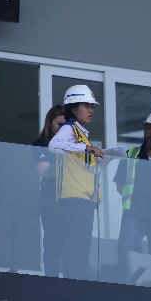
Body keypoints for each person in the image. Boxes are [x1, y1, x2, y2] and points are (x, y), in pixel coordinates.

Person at [49, 84, 105, 280]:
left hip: (85, 199)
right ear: (73, 108)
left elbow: (82, 167)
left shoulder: (82, 134)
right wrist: (86, 150)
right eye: (85, 106)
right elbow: (54, 145)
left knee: (81, 249)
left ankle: (78, 284)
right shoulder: (69, 127)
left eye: (92, 107)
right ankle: (74, 287)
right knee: (75, 249)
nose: (90, 110)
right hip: (73, 198)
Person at [113, 111, 151, 282]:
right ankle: (126, 291)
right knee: (126, 255)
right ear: (145, 129)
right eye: (150, 129)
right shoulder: (130, 154)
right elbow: (120, 185)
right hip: (133, 213)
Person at [32, 105, 65, 277]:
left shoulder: (73, 146)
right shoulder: (42, 143)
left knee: (72, 246)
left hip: (71, 200)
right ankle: (51, 281)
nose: (62, 129)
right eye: (59, 124)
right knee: (53, 243)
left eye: (66, 126)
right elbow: (44, 171)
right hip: (50, 200)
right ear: (49, 123)